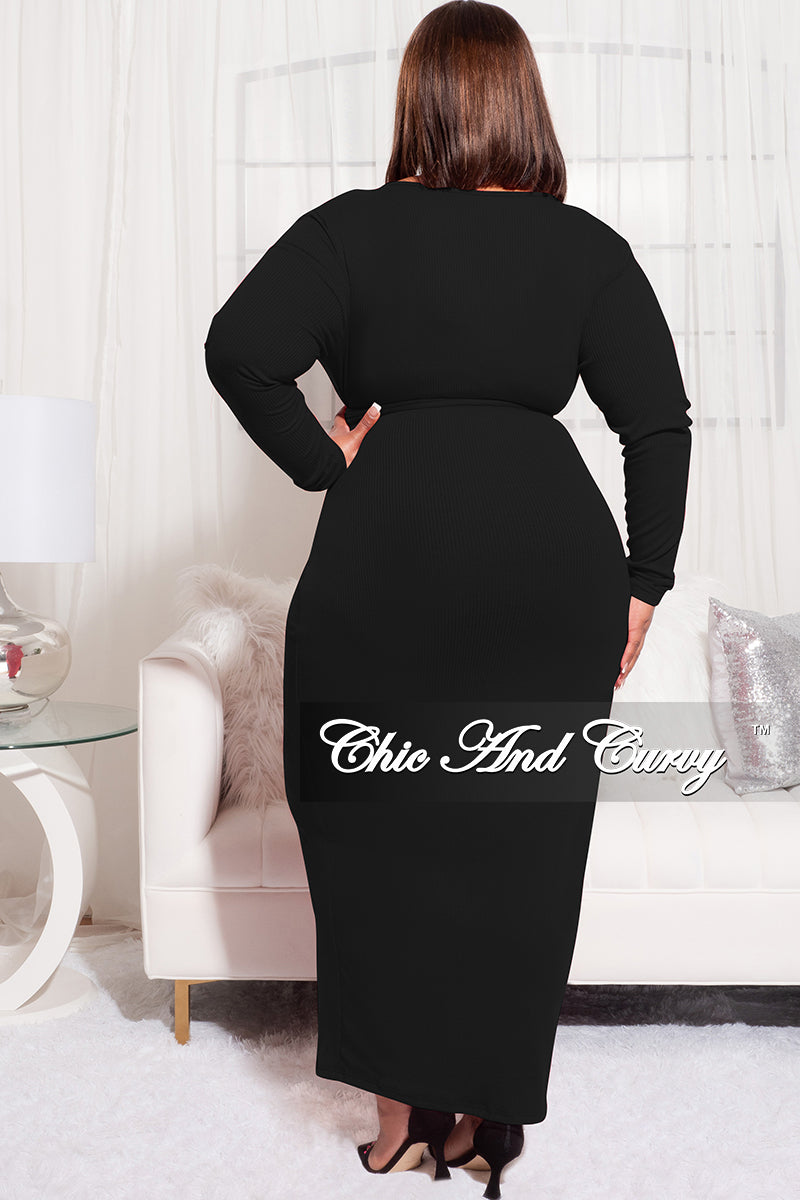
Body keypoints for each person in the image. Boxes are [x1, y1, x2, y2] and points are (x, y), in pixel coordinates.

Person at [203, 2, 692, 1195]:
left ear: (417, 97)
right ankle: (484, 1120)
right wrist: (642, 585)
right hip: (549, 572)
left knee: (371, 840)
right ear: (523, 101)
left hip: (385, 562)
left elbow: (238, 347)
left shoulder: (350, 231)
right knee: (520, 847)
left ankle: (399, 1127)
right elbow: (656, 423)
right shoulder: (584, 248)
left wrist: (324, 460)